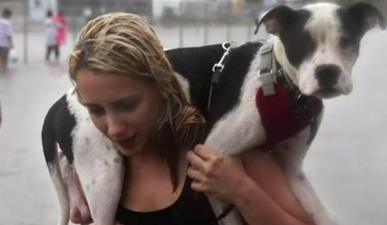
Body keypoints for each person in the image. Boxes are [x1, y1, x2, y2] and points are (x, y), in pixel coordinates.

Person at [68, 12, 315, 225]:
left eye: (128, 105)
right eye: (96, 111)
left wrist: (240, 189)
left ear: (162, 86)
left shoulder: (226, 149)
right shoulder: (98, 166)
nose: (114, 128)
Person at [0, 8, 13, 72]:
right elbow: (8, 34)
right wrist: (11, 44)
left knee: (1, 58)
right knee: (4, 58)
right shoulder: (7, 23)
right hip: (4, 43)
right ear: (8, 15)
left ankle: (2, 71)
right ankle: (4, 70)